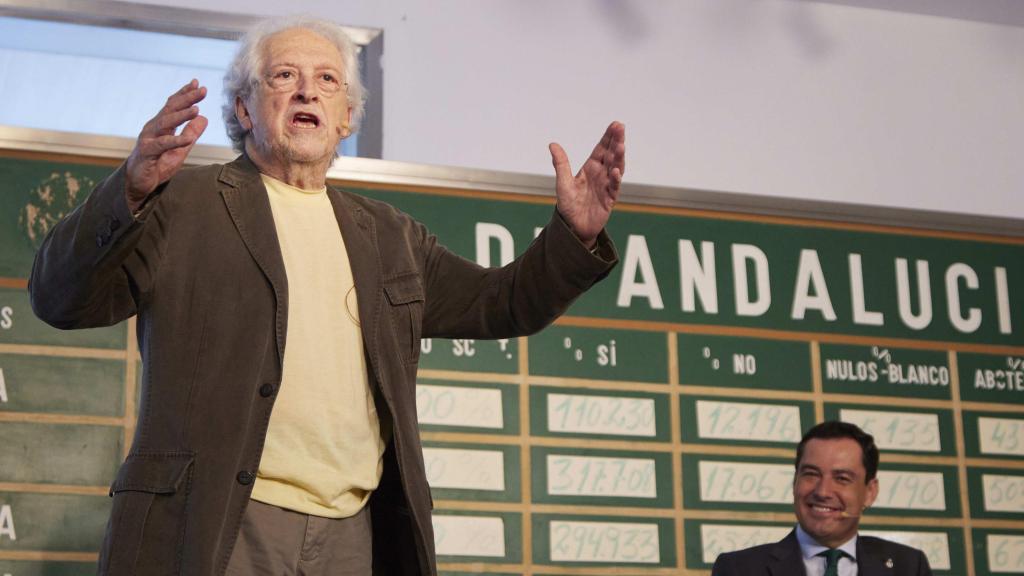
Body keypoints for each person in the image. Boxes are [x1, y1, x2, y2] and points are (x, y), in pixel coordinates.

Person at [28, 15, 623, 576]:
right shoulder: (181, 203)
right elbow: (60, 299)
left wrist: (573, 237)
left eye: (328, 81)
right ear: (244, 107)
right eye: (284, 76)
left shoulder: (390, 235)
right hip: (213, 522)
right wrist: (128, 190)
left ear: (347, 117)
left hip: (353, 531)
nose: (307, 92)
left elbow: (504, 302)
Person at [711, 421, 933, 576]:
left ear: (870, 492)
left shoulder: (908, 567)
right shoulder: (738, 569)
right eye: (811, 474)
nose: (823, 491)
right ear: (794, 481)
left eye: (842, 478)